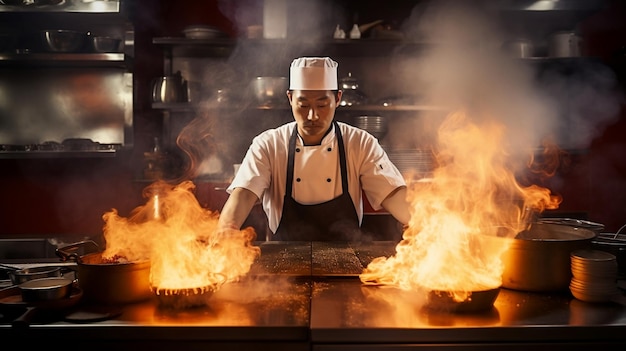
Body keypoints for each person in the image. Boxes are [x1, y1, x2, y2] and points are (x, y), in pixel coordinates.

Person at [217, 57, 410, 241]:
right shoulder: (269, 144)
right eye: (303, 104)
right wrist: (226, 232)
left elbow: (392, 193)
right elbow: (243, 194)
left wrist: (424, 224)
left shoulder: (360, 143)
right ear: (290, 98)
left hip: (346, 257)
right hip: (284, 263)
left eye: (322, 104)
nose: (312, 115)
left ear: (337, 99)